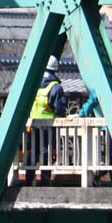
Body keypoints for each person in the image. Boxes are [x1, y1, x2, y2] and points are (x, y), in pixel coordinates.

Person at [23, 55, 67, 186]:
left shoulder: (33, 83)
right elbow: (59, 108)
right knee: (46, 154)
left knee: (32, 153)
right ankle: (45, 181)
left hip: (33, 125)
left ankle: (29, 180)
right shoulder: (55, 87)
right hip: (48, 126)